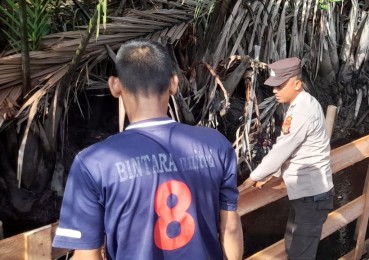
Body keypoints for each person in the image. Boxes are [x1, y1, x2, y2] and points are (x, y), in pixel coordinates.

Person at [52, 40, 243, 259]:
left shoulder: (93, 163)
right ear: (173, 84)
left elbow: (87, 255)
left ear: (114, 85)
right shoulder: (215, 145)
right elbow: (230, 228)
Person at [239, 57, 334, 260]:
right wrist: (274, 173)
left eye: (280, 86)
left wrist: (253, 177)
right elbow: (293, 149)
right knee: (293, 247)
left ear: (297, 84)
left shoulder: (302, 110)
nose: (275, 91)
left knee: (300, 255)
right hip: (306, 195)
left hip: (312, 197)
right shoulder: (302, 103)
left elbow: (283, 148)